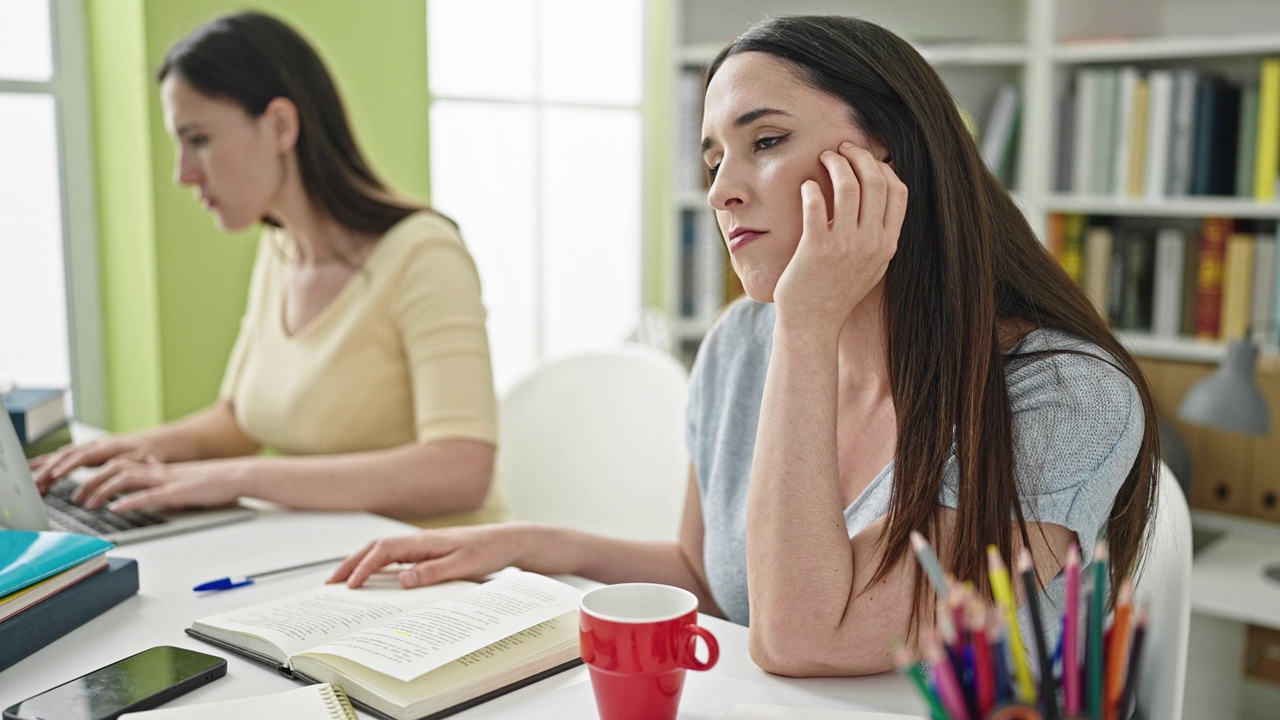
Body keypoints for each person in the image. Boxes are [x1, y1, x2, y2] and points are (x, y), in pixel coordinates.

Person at [328, 15, 1159, 675]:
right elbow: (715, 577)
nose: (722, 190)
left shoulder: (1066, 396)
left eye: (764, 142)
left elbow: (799, 635)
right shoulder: (740, 347)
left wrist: (805, 322)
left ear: (888, 159)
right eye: (713, 156)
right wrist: (529, 544)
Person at [30, 12, 505, 527]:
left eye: (199, 140)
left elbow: (460, 470)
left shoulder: (425, 256)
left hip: (449, 579)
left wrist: (237, 477)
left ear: (280, 125)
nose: (183, 174)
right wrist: (126, 451)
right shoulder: (281, 250)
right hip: (331, 556)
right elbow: (238, 421)